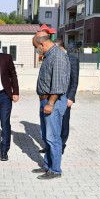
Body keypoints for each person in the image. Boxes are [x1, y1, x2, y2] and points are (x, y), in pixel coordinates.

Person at [31, 31, 70, 180]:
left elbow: (59, 85)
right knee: (46, 137)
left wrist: (50, 103)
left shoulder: (58, 56)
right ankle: (48, 166)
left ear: (42, 44)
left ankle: (55, 170)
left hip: (52, 102)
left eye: (36, 47)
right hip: (46, 101)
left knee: (53, 137)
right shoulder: (49, 55)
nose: (37, 50)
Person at [38, 38, 80, 155]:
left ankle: (61, 145)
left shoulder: (73, 60)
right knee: (51, 127)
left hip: (64, 97)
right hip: (51, 96)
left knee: (64, 123)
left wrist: (71, 97)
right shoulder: (51, 57)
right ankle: (50, 147)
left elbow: (74, 80)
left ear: (60, 47)